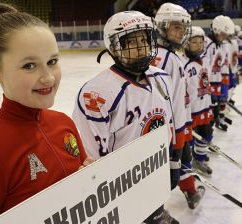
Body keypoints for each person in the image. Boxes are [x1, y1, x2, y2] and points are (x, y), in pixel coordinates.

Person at [0, 3, 92, 224]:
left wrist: (92, 179)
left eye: (52, 62)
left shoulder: (64, 124)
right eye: (29, 66)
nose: (48, 77)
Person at [72, 11, 180, 223]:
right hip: (121, 186)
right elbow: (91, 158)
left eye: (144, 39)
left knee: (155, 212)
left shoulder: (161, 77)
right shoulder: (97, 95)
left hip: (153, 172)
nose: (140, 47)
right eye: (130, 41)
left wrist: (171, 157)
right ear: (113, 47)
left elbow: (166, 123)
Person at [153, 3, 204, 209]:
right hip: (171, 129)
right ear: (162, 27)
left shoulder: (170, 55)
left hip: (179, 125)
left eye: (183, 29)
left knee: (183, 161)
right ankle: (155, 211)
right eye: (176, 27)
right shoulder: (165, 58)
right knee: (170, 169)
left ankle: (190, 191)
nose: (180, 32)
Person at [182, 25, 215, 184]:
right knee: (188, 142)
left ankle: (199, 159)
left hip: (204, 107)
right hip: (190, 112)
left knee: (207, 135)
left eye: (201, 42)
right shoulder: (183, 65)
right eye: (194, 42)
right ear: (186, 43)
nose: (199, 45)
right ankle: (188, 164)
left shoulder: (205, 60)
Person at [202, 15, 234, 132]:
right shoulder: (207, 44)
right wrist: (208, 89)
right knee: (206, 116)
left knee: (214, 113)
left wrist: (224, 85)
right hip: (207, 87)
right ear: (216, 30)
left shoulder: (221, 45)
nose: (225, 37)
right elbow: (203, 70)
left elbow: (221, 67)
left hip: (216, 85)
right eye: (223, 34)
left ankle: (210, 129)